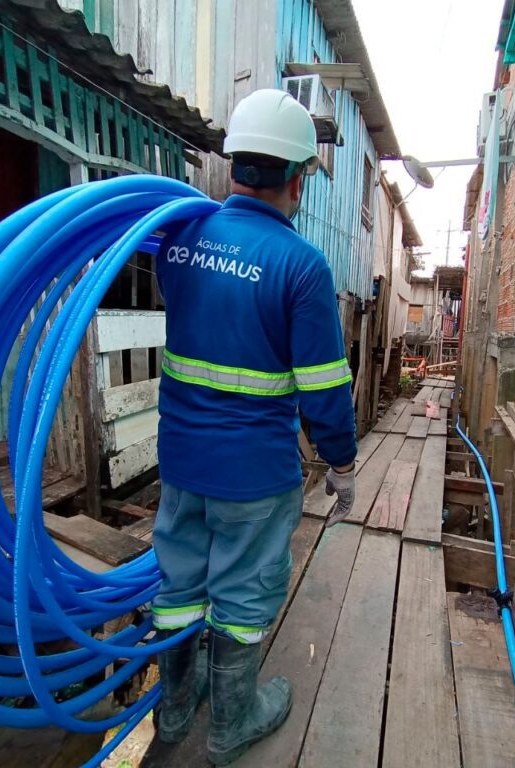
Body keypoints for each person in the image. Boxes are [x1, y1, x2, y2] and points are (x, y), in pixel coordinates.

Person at [149, 88, 358, 765]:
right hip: (253, 476)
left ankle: (176, 709)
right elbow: (325, 387)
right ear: (298, 177)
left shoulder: (178, 238)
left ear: (235, 163)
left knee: (179, 586)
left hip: (180, 462)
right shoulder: (301, 265)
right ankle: (232, 721)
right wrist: (342, 464)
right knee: (242, 593)